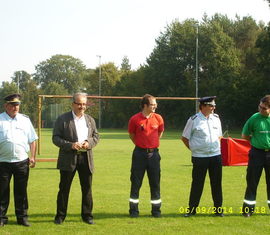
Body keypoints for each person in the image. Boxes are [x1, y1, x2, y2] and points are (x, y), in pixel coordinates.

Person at [52, 92, 99, 225]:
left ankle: (87, 216)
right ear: (72, 104)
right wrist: (71, 145)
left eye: (84, 104)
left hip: (86, 158)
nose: (82, 106)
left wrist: (88, 143)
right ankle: (60, 216)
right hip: (68, 158)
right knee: (64, 188)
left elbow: (96, 136)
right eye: (79, 104)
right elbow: (55, 138)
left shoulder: (90, 120)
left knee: (87, 188)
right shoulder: (62, 119)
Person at [181, 96, 223, 217]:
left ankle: (218, 210)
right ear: (203, 106)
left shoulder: (216, 118)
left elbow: (219, 136)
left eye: (214, 105)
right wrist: (194, 149)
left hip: (215, 156)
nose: (214, 108)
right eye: (211, 105)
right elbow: (184, 138)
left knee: (216, 184)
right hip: (199, 157)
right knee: (197, 184)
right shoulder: (193, 120)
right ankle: (192, 210)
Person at [0, 94, 38, 227]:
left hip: (21, 161)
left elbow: (32, 140)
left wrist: (33, 157)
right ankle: (1, 218)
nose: (15, 107)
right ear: (6, 106)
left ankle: (22, 218)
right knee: (2, 191)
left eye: (17, 105)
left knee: (21, 191)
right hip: (2, 162)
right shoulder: (0, 119)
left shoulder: (25, 120)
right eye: (12, 104)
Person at [128, 94, 164, 218]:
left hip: (154, 154)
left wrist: (151, 145)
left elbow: (160, 132)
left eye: (155, 104)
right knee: (136, 182)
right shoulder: (134, 119)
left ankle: (156, 211)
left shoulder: (158, 118)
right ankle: (133, 211)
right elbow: (132, 135)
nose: (155, 106)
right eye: (152, 104)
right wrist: (142, 145)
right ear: (145, 105)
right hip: (139, 154)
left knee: (155, 183)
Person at [241, 95, 270, 217]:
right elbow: (245, 135)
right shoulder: (254, 118)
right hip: (256, 153)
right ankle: (248, 210)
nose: (261, 110)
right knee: (252, 182)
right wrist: (255, 141)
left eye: (264, 108)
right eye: (260, 107)